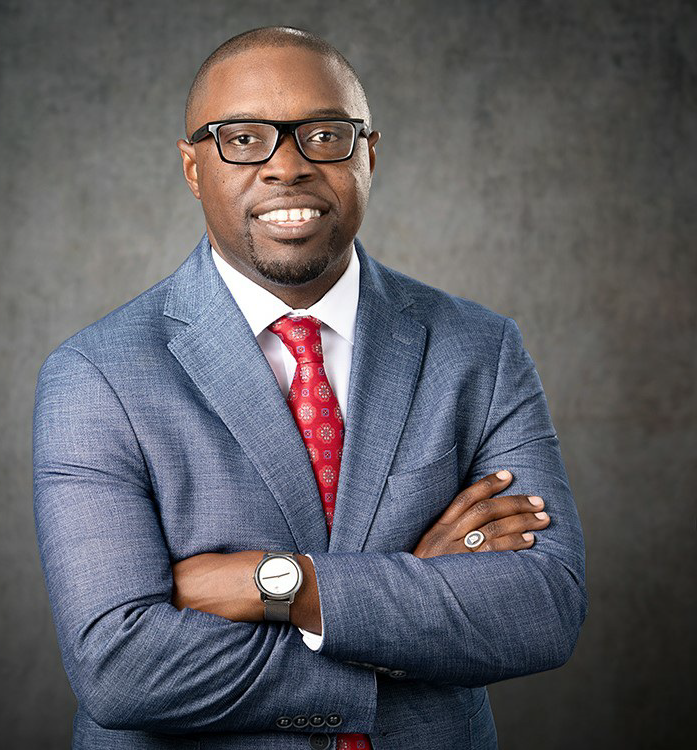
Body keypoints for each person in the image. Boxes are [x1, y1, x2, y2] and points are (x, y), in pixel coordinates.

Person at [33, 26, 587, 750]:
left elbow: (543, 609)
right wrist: (410, 590)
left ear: (369, 153)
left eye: (324, 134)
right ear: (193, 166)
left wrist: (278, 584)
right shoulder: (95, 376)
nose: (287, 167)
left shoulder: (479, 348)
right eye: (242, 138)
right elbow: (122, 668)